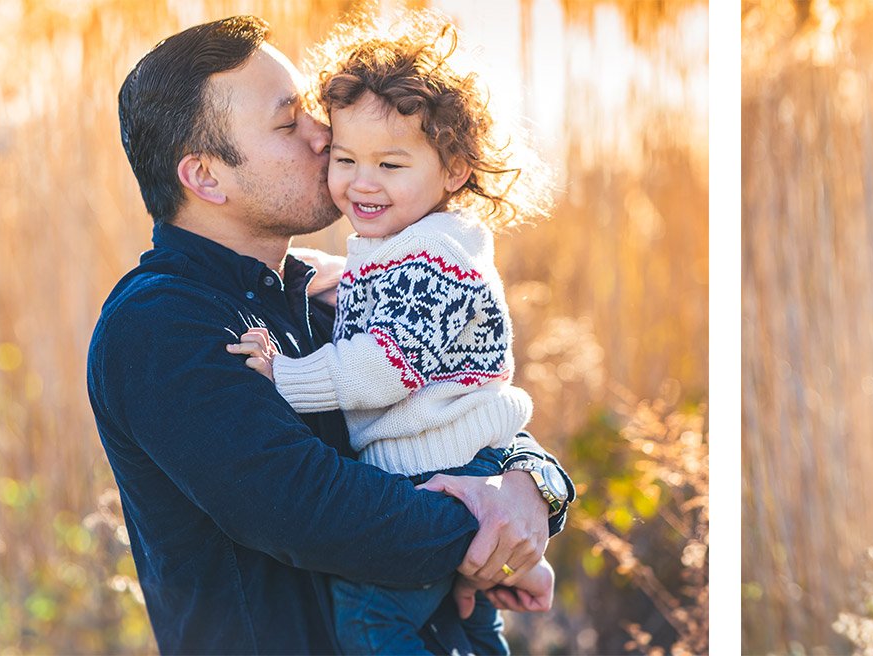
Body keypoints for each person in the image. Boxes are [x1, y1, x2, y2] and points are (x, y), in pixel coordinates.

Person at [87, 15, 575, 654]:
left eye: (313, 113)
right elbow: (310, 508)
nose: (325, 135)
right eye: (290, 123)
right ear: (206, 177)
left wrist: (533, 485)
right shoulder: (160, 327)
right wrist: (483, 526)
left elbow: (456, 403)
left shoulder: (322, 289)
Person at [228, 14, 563, 655]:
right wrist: (339, 271)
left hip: (439, 471)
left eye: (390, 163)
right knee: (469, 626)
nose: (362, 182)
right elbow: (391, 291)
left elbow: (383, 365)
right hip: (451, 467)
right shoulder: (418, 245)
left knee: (370, 624)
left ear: (455, 169)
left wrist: (282, 376)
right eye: (346, 158)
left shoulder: (434, 259)